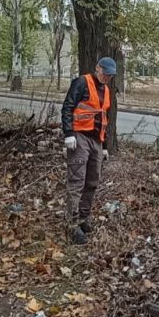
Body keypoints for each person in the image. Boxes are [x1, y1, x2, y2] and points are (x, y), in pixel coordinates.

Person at [60, 57, 116, 244]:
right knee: (76, 182)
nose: (106, 77)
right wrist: (69, 133)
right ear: (97, 68)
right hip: (80, 138)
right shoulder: (82, 82)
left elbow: (104, 119)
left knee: (92, 181)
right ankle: (71, 225)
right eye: (105, 73)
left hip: (96, 141)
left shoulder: (106, 91)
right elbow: (68, 107)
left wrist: (105, 146)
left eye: (109, 75)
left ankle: (83, 218)